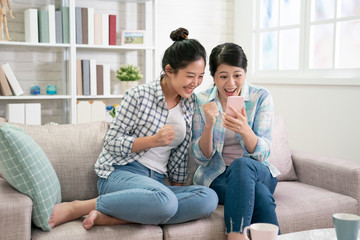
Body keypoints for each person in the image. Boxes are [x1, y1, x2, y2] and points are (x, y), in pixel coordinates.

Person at [49, 27, 218, 229]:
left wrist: (175, 190)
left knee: (208, 198)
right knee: (165, 201)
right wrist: (153, 141)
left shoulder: (189, 103)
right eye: (190, 76)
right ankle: (78, 207)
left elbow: (179, 157)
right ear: (169, 70)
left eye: (200, 76)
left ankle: (115, 216)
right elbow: (111, 143)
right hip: (120, 174)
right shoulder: (138, 96)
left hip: (155, 183)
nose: (195, 83)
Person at [191, 43, 281, 240]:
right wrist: (209, 125)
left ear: (245, 74)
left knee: (242, 166)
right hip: (218, 175)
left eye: (237, 75)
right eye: (223, 76)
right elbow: (201, 158)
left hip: (258, 171)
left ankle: (235, 237)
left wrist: (245, 130)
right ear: (213, 77)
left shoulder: (261, 97)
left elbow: (263, 153)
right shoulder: (201, 100)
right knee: (259, 195)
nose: (231, 83)